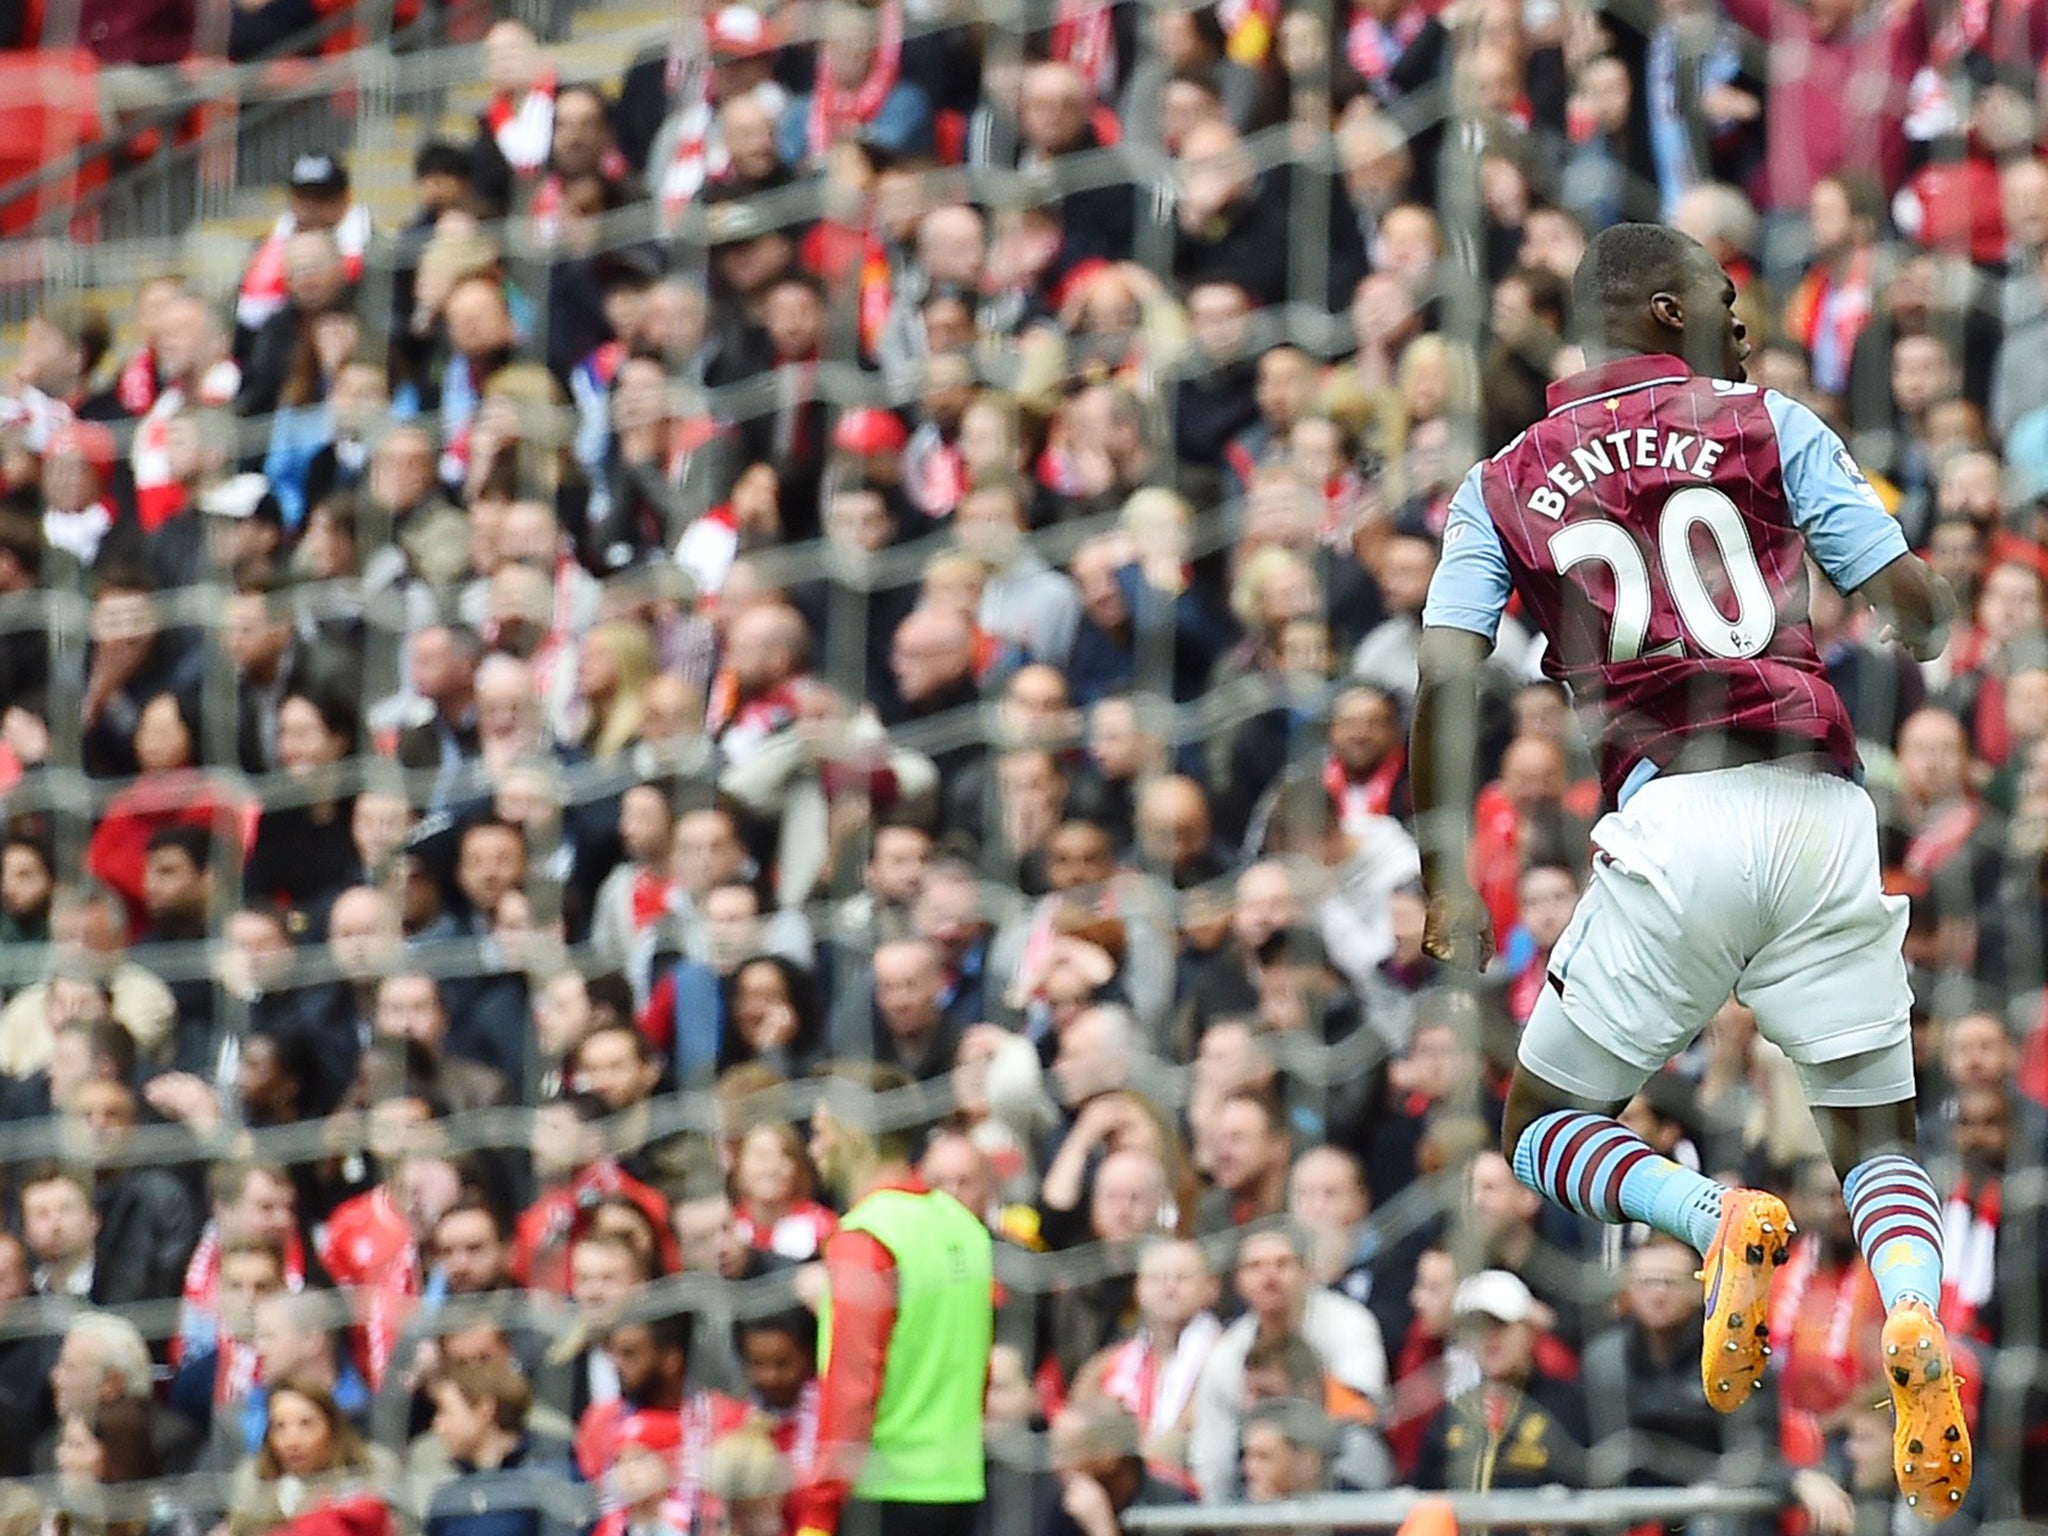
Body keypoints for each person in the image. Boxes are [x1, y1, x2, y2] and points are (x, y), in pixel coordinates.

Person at [1410, 220, 1969, 1515]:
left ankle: (1711, 1216)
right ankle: (1909, 1315)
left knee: (1543, 1127)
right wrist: (1929, 619)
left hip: (1677, 819)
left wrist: (1446, 868)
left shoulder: (1499, 483)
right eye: (1725, 298)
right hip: (1824, 809)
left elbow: (1449, 676)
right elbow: (1908, 600)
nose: (1743, 319)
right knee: (1874, 1130)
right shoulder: (1770, 422)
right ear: (1664, 309)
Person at [789, 1069, 996, 1536]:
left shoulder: (866, 1236)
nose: (813, 1148)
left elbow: (852, 1387)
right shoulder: (966, 1229)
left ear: (854, 1136)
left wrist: (820, 1513)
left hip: (879, 1498)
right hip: (959, 1489)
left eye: (821, 1132)